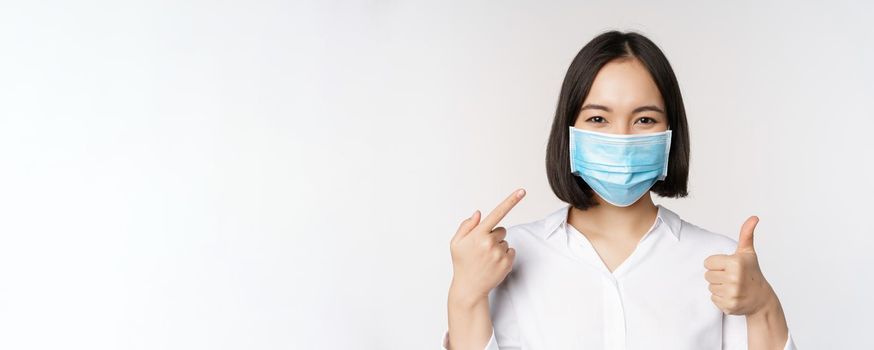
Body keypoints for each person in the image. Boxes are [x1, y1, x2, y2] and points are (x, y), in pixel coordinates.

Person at [442, 31, 797, 350]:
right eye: (598, 119)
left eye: (645, 119)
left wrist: (764, 305)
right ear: (569, 131)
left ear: (670, 133)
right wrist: (465, 296)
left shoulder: (718, 263)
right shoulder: (506, 257)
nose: (622, 138)